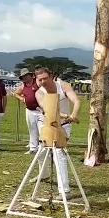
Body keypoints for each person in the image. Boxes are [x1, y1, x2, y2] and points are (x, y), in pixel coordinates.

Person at [33, 67, 81, 198]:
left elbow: (76, 101)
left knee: (59, 153)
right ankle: (44, 175)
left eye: (45, 78)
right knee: (41, 153)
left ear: (51, 76)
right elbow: (49, 110)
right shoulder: (39, 93)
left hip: (64, 126)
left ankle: (64, 191)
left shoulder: (63, 85)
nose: (43, 81)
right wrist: (66, 115)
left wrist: (73, 114)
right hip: (47, 125)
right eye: (40, 79)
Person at [13, 68, 40, 154]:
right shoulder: (23, 86)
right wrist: (22, 99)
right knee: (32, 129)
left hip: (41, 110)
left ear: (30, 75)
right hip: (29, 110)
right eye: (23, 77)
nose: (24, 78)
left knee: (42, 129)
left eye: (26, 76)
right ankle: (33, 148)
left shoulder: (38, 82)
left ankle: (43, 147)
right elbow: (15, 93)